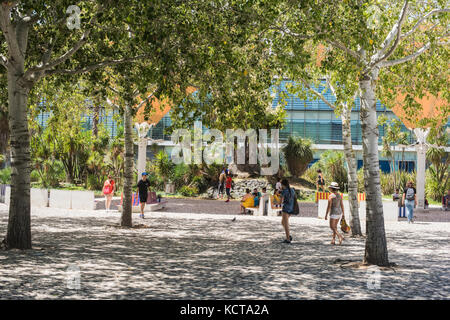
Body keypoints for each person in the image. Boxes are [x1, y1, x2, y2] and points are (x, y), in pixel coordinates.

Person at [280, 179, 296, 244]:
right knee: (283, 222)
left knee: (286, 224)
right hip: (291, 208)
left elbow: (280, 201)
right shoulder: (292, 190)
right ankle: (288, 235)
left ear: (283, 185)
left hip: (285, 208)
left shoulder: (284, 191)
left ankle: (288, 238)